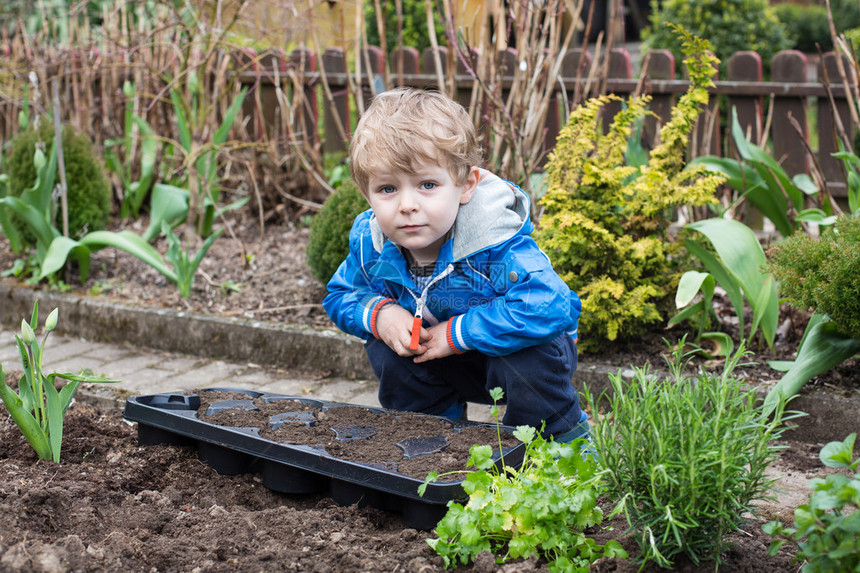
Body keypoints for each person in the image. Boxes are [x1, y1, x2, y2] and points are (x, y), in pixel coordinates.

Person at [323, 87, 589, 443]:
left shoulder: (494, 242)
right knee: (387, 347)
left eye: (427, 184)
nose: (407, 205)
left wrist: (457, 334)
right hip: (438, 355)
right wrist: (382, 314)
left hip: (515, 358)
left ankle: (552, 442)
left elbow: (552, 304)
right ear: (365, 192)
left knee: (531, 355)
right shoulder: (371, 244)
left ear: (466, 186)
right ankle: (432, 438)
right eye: (387, 189)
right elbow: (342, 293)